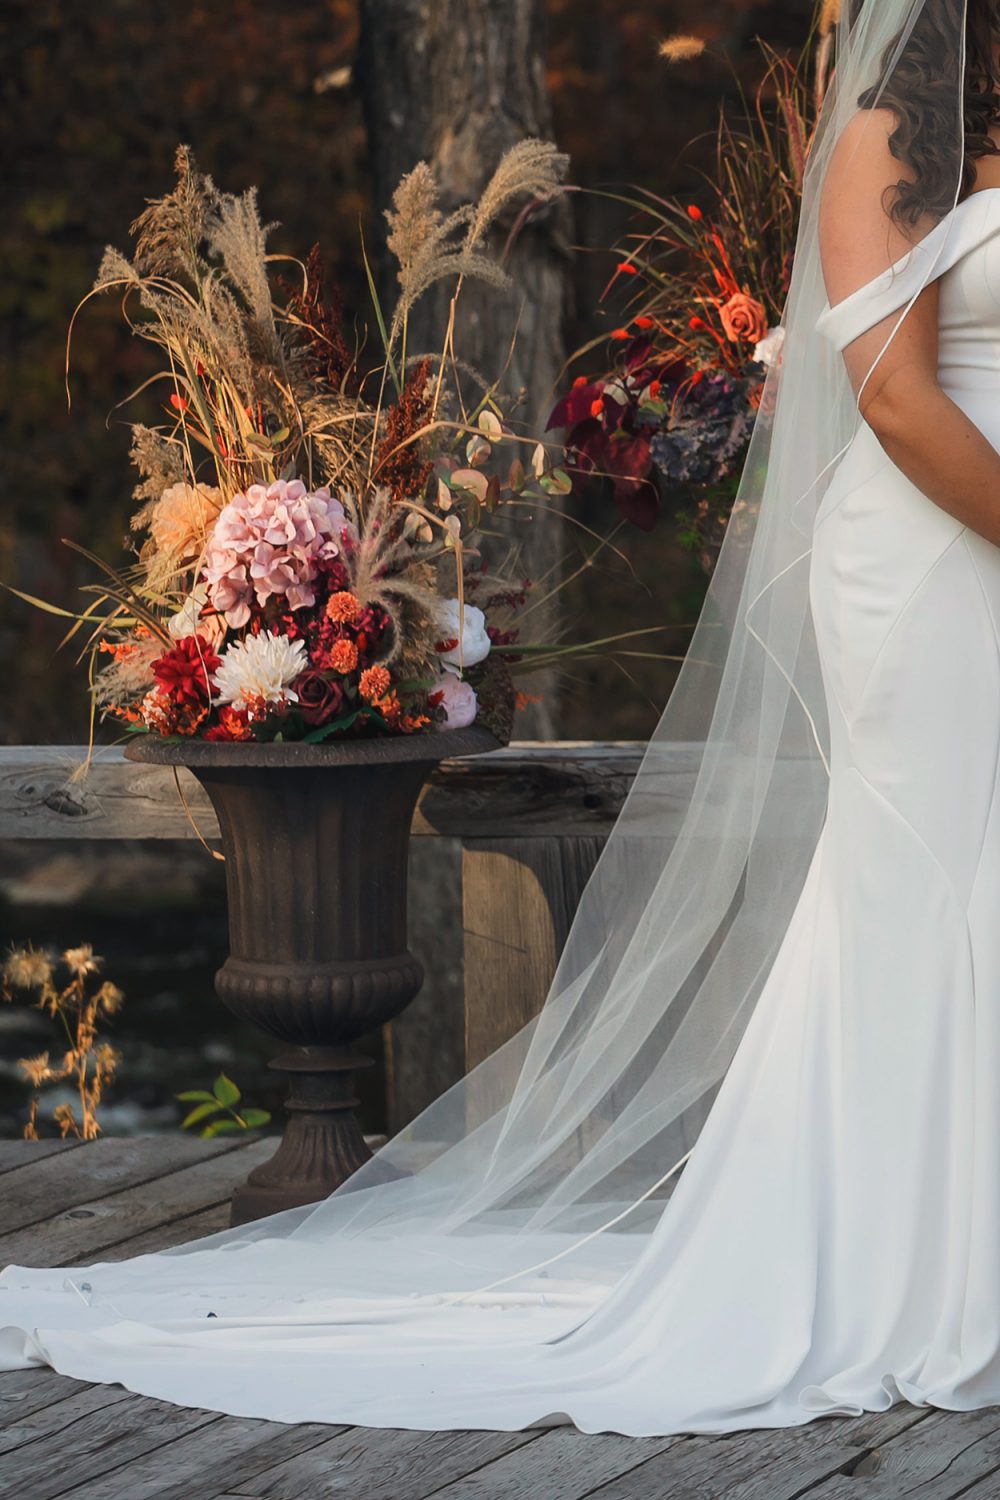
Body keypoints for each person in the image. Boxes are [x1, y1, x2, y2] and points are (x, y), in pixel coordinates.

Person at [3, 0, 1000, 1436]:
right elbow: (898, 401)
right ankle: (907, 1265)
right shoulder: (882, 141)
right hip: (924, 561)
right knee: (930, 876)